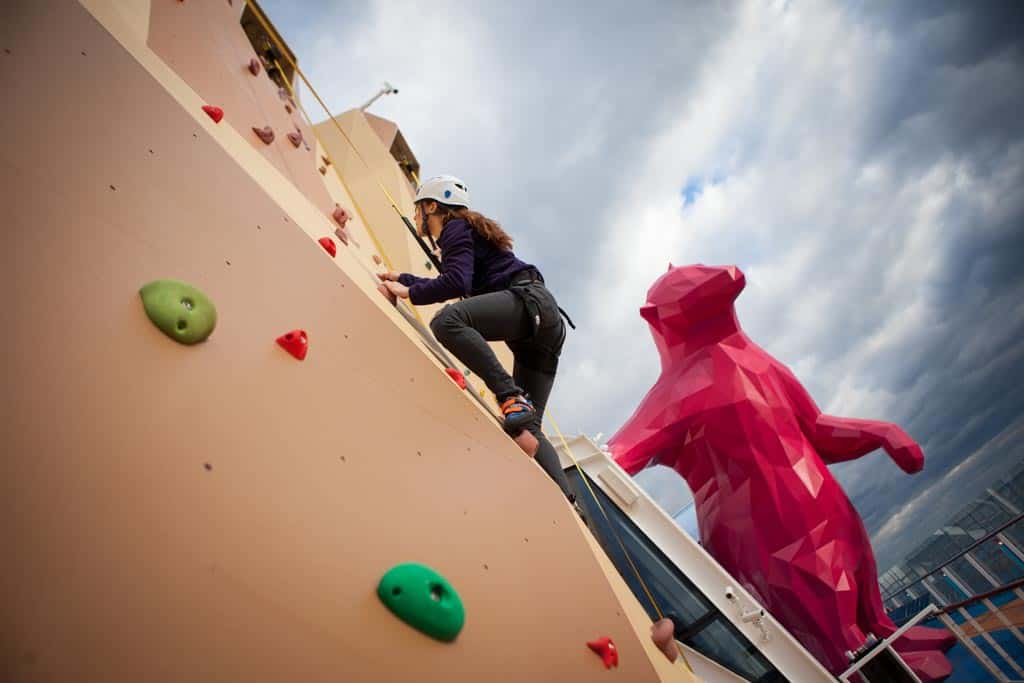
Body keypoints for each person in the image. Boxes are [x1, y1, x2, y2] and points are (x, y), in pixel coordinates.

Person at [378, 175, 575, 500]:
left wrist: (411, 292)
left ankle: (511, 396)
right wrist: (406, 278)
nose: (415, 217)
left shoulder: (453, 228)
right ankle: (570, 505)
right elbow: (455, 278)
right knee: (528, 429)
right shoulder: (465, 232)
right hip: (543, 327)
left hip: (531, 306)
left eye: (417, 210)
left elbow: (454, 283)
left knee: (447, 322)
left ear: (431, 206)